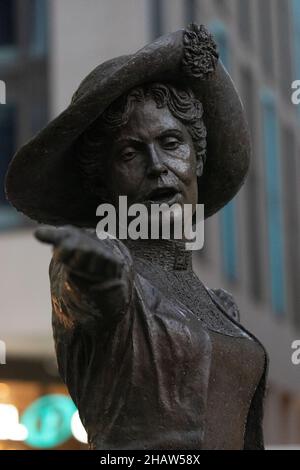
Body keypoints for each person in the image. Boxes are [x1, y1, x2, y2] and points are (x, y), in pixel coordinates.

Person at [5, 24, 268, 450]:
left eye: (171, 142)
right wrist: (97, 277)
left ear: (196, 158)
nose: (157, 165)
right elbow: (98, 295)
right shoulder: (99, 266)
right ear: (104, 183)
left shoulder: (221, 305)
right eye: (130, 153)